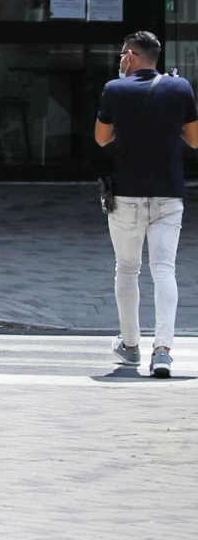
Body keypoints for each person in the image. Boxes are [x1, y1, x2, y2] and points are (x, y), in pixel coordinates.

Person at [95, 30, 198, 377]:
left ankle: (130, 345)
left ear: (130, 55)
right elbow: (195, 141)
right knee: (164, 269)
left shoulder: (115, 89)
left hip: (126, 195)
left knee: (127, 269)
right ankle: (163, 351)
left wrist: (119, 84)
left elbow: (101, 138)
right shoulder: (180, 88)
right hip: (169, 193)